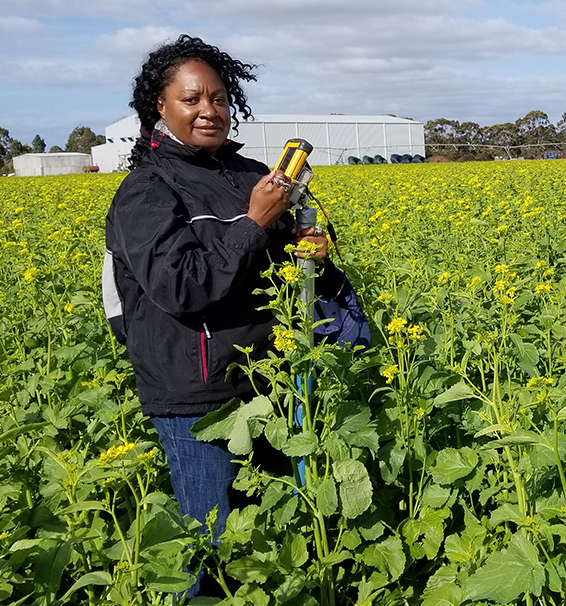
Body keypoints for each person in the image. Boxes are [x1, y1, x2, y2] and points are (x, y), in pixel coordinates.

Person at [101, 34, 349, 598]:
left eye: (218, 98)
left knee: (277, 538)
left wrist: (309, 248)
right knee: (210, 547)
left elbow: (280, 266)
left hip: (270, 383)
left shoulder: (249, 172)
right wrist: (254, 222)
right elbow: (181, 287)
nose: (208, 111)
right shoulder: (146, 191)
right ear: (159, 108)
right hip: (196, 395)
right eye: (191, 99)